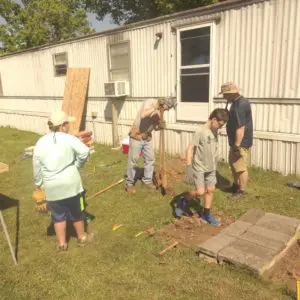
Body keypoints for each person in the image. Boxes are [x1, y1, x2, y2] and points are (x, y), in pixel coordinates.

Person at [33, 110, 92, 251]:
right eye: (68, 123)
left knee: (58, 215)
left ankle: (61, 244)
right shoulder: (69, 138)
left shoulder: (40, 142)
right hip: (71, 184)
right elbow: (84, 152)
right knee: (76, 212)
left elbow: (36, 166)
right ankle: (82, 237)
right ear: (62, 125)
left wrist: (39, 185)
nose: (69, 126)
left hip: (52, 187)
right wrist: (77, 165)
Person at [177, 108, 229, 226]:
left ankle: (207, 215)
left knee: (211, 190)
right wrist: (189, 166)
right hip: (199, 167)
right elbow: (190, 148)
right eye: (220, 124)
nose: (220, 127)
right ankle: (183, 199)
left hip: (211, 168)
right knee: (200, 192)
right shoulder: (200, 131)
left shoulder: (214, 130)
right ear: (214, 119)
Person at [125, 98, 176, 194]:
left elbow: (154, 127)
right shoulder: (151, 103)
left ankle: (147, 181)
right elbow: (143, 115)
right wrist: (155, 107)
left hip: (147, 137)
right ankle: (129, 183)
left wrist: (160, 126)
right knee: (134, 160)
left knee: (150, 159)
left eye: (168, 109)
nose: (166, 110)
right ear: (164, 103)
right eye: (167, 108)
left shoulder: (159, 112)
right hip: (137, 135)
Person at [220, 82, 253, 200]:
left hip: (241, 142)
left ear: (231, 93)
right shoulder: (235, 102)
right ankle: (235, 186)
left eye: (225, 95)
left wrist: (237, 146)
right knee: (233, 164)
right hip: (235, 141)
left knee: (240, 167)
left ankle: (242, 191)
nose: (224, 97)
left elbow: (241, 127)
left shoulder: (240, 105)